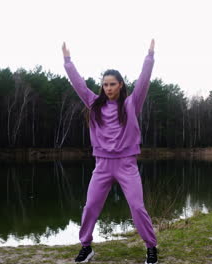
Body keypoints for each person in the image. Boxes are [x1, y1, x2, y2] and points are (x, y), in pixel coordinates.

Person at [62, 40, 158, 264]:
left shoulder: (132, 103)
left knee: (137, 206)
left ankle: (151, 248)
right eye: (105, 84)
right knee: (90, 206)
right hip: (102, 164)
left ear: (121, 85)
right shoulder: (94, 103)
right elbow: (78, 85)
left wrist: (150, 57)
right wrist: (67, 61)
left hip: (126, 164)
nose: (108, 88)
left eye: (112, 84)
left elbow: (144, 81)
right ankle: (86, 247)